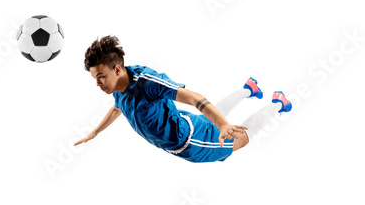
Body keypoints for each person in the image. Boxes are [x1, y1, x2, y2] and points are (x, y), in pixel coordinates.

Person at [74, 36, 292, 163]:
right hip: (181, 124)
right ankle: (249, 89)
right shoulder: (118, 86)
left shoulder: (148, 83)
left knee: (243, 138)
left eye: (100, 77)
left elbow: (194, 98)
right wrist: (95, 132)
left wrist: (224, 124)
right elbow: (118, 107)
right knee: (213, 122)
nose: (98, 84)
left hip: (189, 141)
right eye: (95, 78)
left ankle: (278, 102)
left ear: (117, 69)